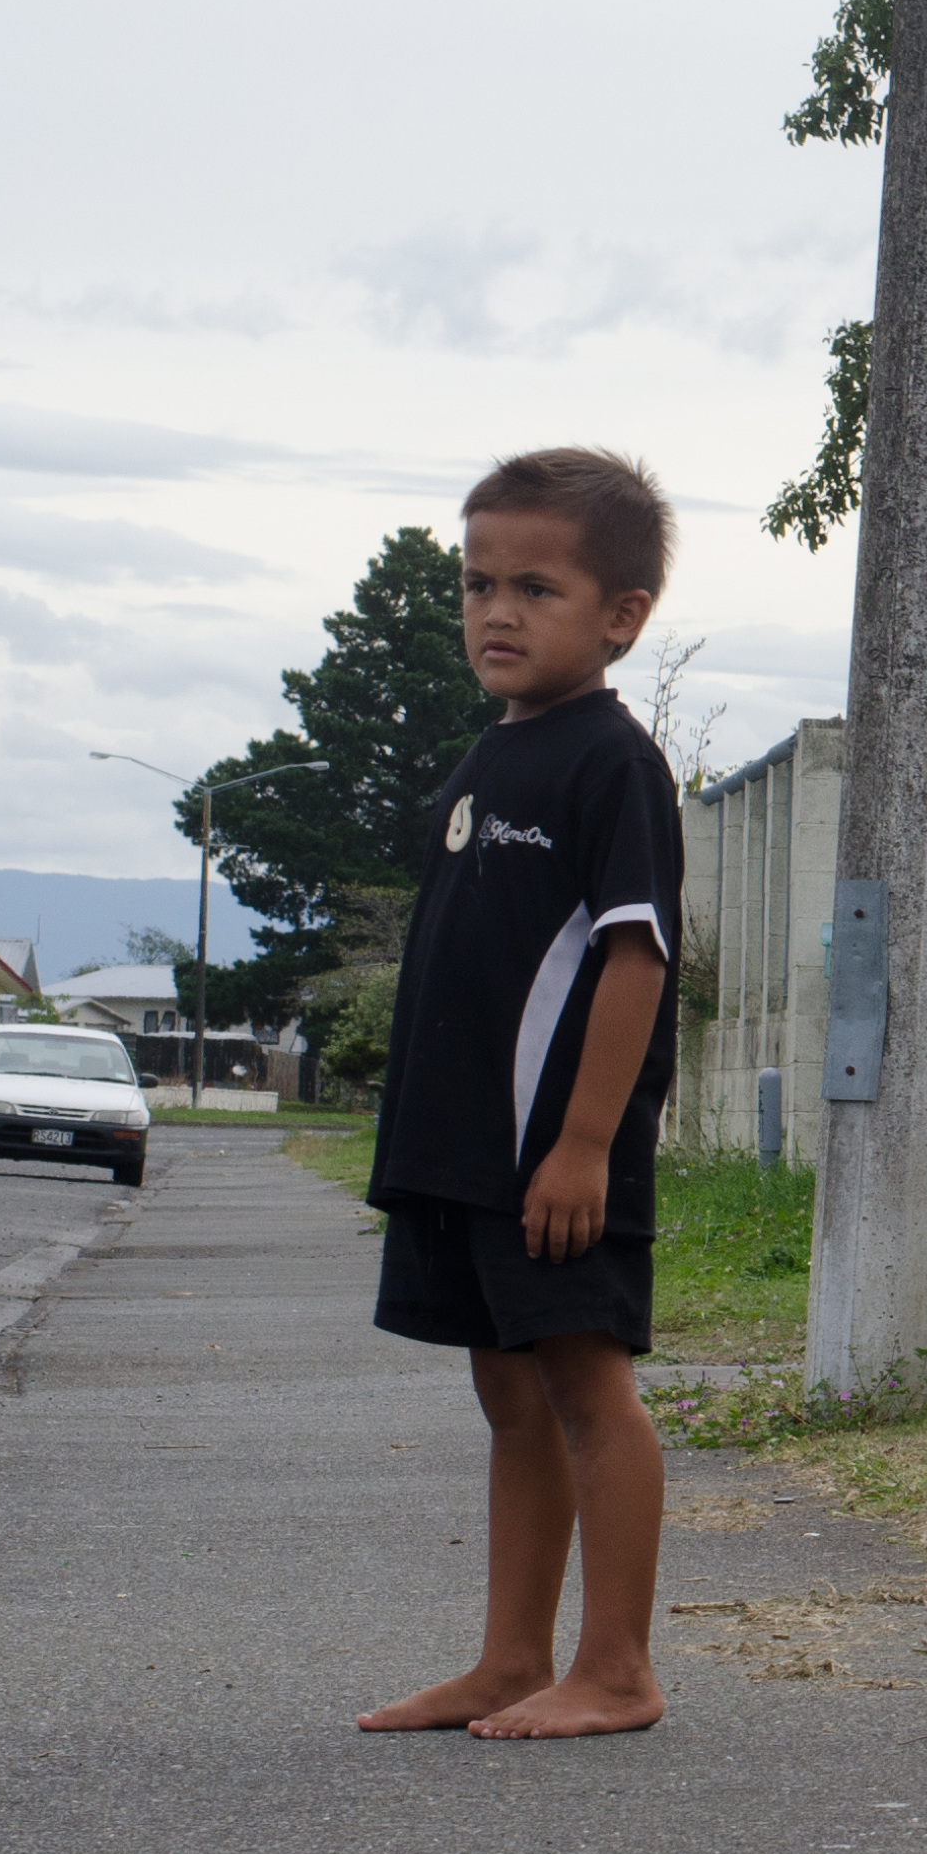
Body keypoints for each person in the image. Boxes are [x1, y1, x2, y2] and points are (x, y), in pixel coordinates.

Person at [354, 447, 688, 1739]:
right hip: (460, 1153)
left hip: (552, 1157)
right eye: (478, 584)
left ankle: (618, 1669)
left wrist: (585, 1143)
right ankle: (510, 1660)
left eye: (536, 589)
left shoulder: (612, 764)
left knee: (587, 1393)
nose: (497, 612)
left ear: (621, 616)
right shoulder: (487, 760)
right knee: (508, 1397)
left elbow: (636, 957)